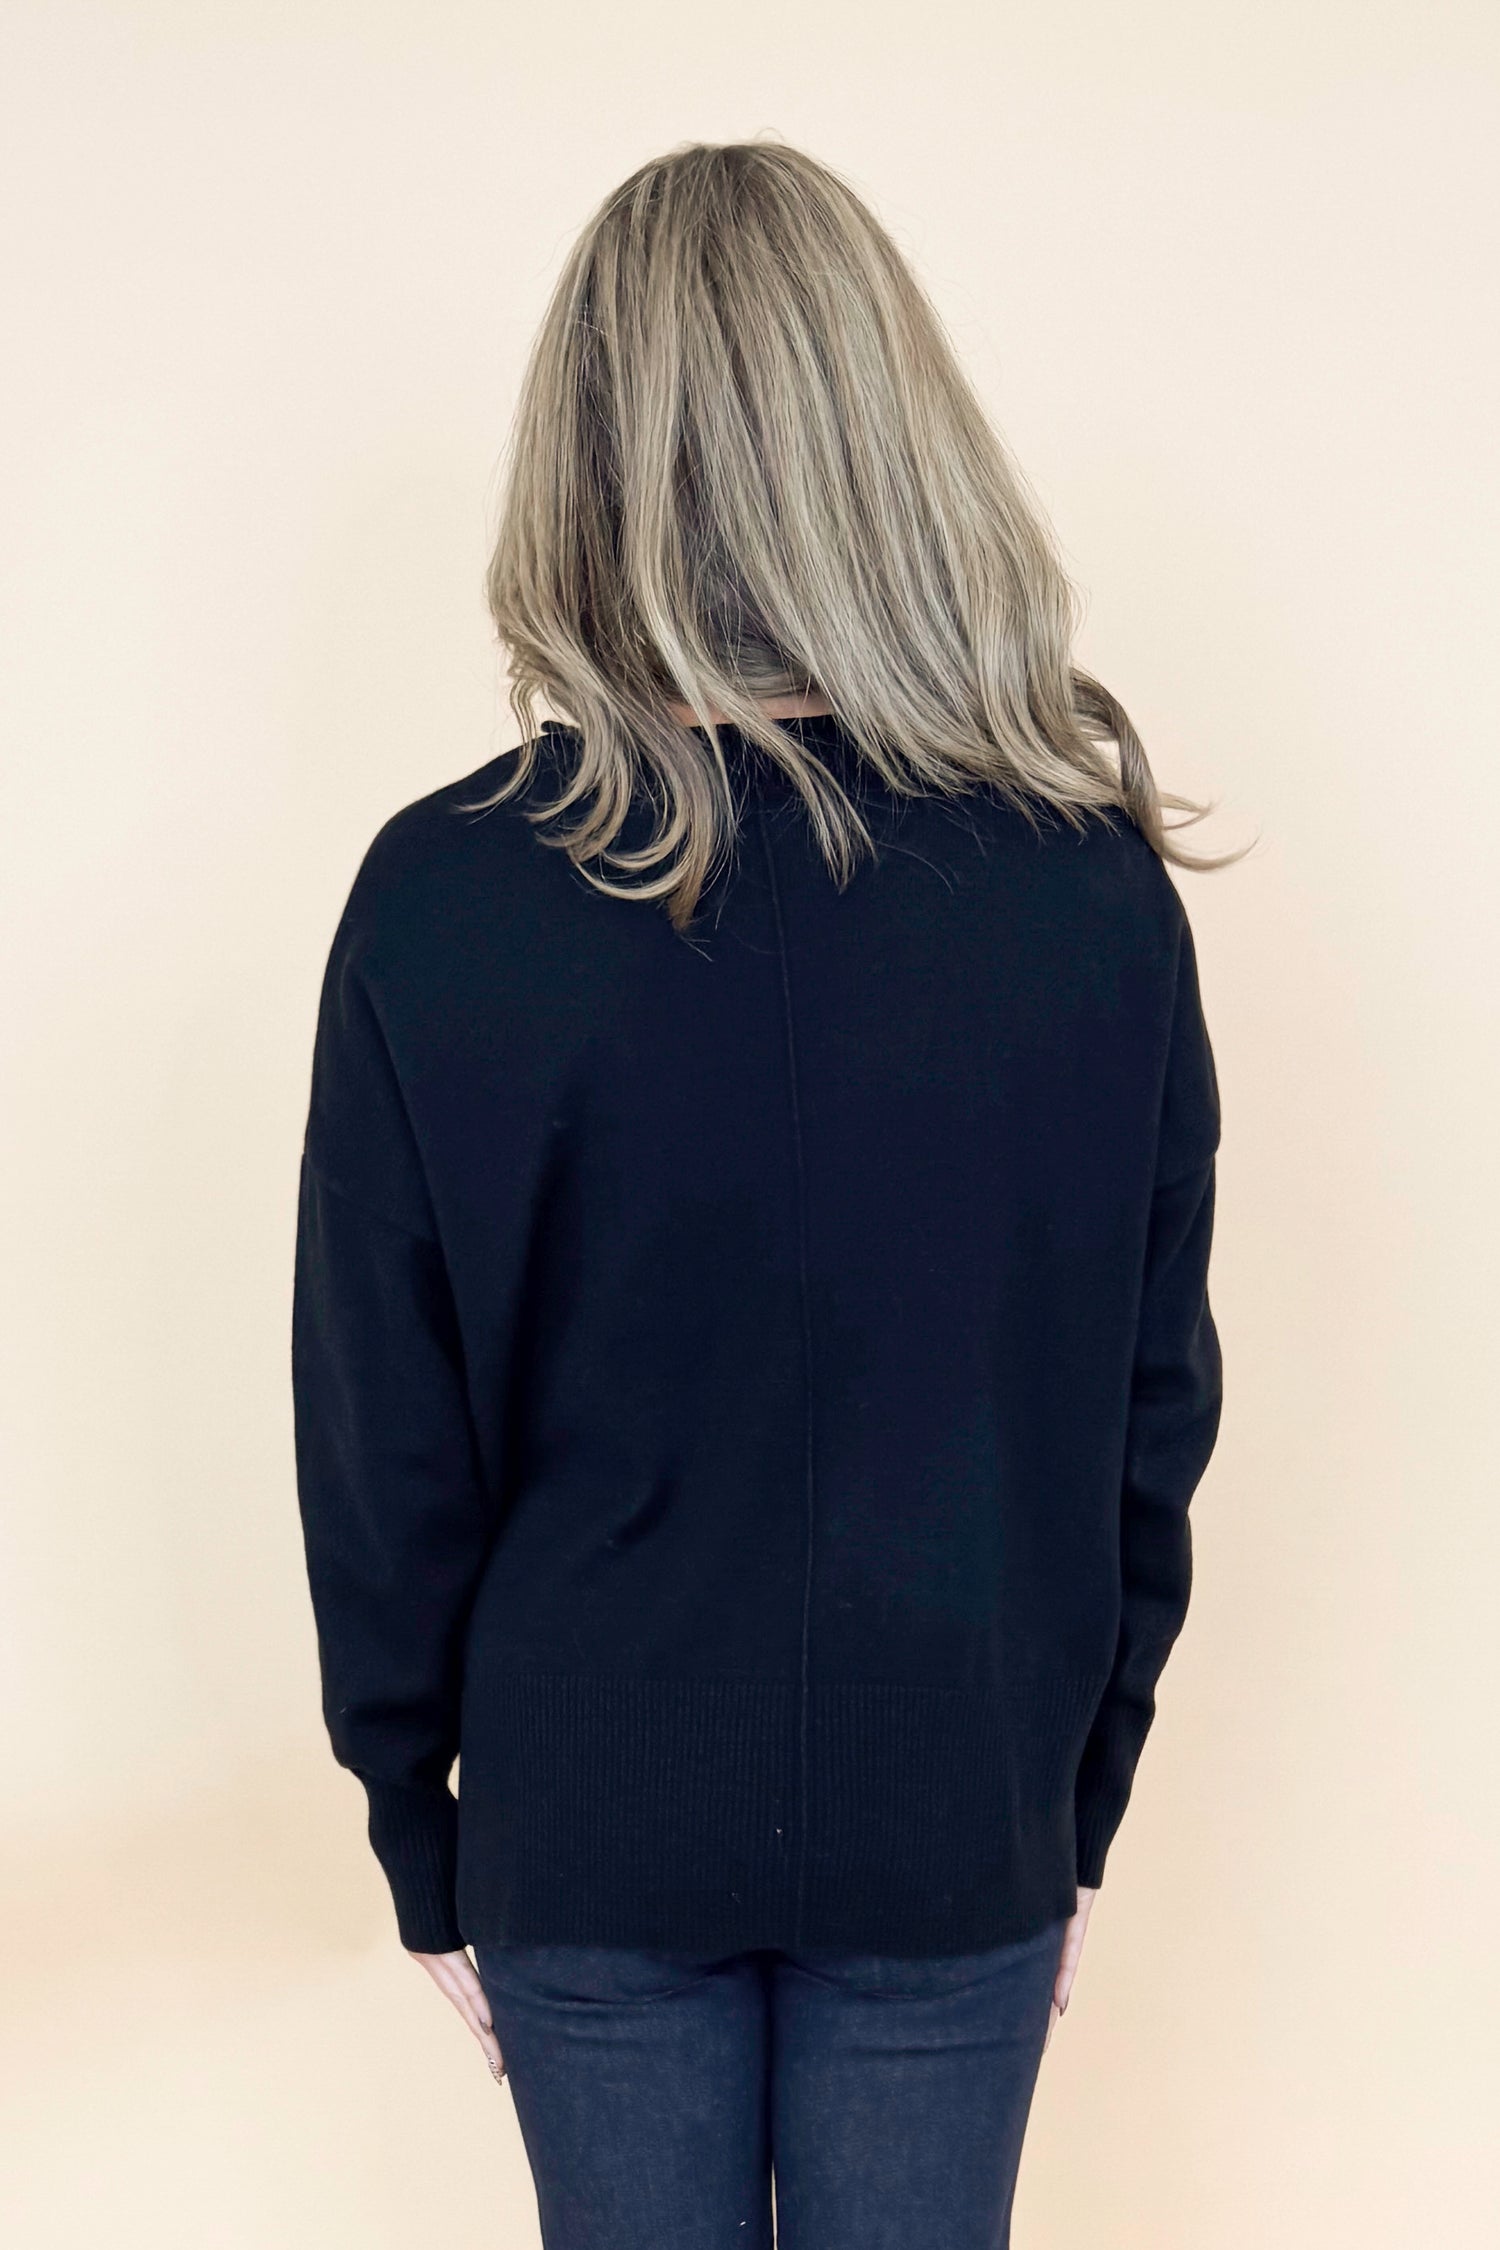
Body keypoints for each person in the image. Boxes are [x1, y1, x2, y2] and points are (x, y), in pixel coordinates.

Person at [291, 134, 1238, 2249]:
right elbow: (1138, 1407)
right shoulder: (1086, 894)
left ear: (585, 458)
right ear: (892, 438)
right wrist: (1071, 1800)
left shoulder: (443, 898)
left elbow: (383, 1439)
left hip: (584, 1825)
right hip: (953, 1816)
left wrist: (414, 1827)